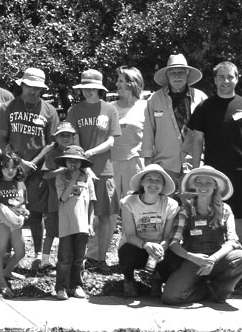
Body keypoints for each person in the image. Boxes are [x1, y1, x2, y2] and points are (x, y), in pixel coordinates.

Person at [187, 61, 242, 247]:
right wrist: (196, 171)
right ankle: (215, 258)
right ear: (214, 80)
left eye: (230, 77)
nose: (226, 81)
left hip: (241, 170)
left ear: (237, 79)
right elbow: (197, 140)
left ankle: (241, 261)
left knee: (240, 216)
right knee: (213, 214)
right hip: (212, 172)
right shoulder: (204, 107)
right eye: (221, 77)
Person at [0, 67, 59, 269]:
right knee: (7, 211)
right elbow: (0, 138)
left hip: (37, 170)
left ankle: (38, 255)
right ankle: (5, 254)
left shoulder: (49, 110)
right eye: (29, 86)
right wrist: (18, 160)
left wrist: (35, 162)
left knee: (36, 213)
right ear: (22, 85)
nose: (33, 91)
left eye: (37, 87)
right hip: (11, 169)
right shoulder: (8, 107)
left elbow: (52, 142)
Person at [163, 166, 242, 305]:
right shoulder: (185, 211)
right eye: (199, 182)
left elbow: (233, 241)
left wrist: (213, 259)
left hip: (219, 259)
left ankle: (220, 290)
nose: (203, 186)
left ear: (215, 186)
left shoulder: (225, 209)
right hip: (193, 260)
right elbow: (173, 243)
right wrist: (192, 257)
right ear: (194, 186)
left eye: (208, 183)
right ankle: (205, 289)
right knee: (171, 297)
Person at [66, 69, 121, 272]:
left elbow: (112, 140)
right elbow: (74, 137)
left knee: (106, 217)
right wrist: (83, 162)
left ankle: (101, 258)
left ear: (99, 89)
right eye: (84, 88)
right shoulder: (75, 110)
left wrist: (92, 152)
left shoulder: (109, 109)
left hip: (105, 170)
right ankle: (79, 259)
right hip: (80, 170)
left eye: (92, 88)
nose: (88, 91)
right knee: (80, 215)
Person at [143, 54, 208, 184]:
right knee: (164, 203)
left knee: (191, 203)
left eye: (181, 72)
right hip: (164, 165)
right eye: (173, 73)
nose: (177, 76)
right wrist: (147, 162)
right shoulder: (154, 100)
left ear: (188, 74)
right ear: (167, 75)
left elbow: (209, 132)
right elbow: (148, 133)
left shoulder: (201, 98)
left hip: (194, 164)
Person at [117, 164, 180, 297]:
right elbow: (130, 235)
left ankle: (157, 280)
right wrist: (146, 245)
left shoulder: (170, 205)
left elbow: (167, 236)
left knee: (175, 257)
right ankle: (129, 280)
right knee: (126, 251)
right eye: (149, 179)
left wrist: (159, 248)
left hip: (159, 250)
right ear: (142, 183)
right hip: (137, 247)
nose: (153, 183)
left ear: (163, 185)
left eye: (158, 180)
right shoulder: (128, 203)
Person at [29, 122, 80, 273]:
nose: (65, 138)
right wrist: (62, 169)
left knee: (71, 231)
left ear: (73, 137)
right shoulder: (52, 154)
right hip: (54, 199)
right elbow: (45, 175)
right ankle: (44, 262)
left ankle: (69, 261)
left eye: (68, 135)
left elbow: (84, 171)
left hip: (73, 199)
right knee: (51, 231)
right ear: (56, 137)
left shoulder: (77, 152)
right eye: (62, 135)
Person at [0, 151, 29, 297]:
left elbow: (23, 204)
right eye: (6, 167)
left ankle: (7, 272)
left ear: (18, 169)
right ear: (0, 168)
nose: (10, 171)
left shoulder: (20, 184)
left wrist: (25, 211)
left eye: (13, 167)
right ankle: (1, 281)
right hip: (2, 222)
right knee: (1, 250)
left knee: (21, 252)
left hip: (16, 222)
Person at [53, 145, 96, 300]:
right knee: (64, 258)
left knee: (79, 257)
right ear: (65, 162)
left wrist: (90, 223)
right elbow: (63, 198)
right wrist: (73, 179)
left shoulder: (87, 178)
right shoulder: (61, 177)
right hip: (66, 224)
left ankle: (76, 285)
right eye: (70, 161)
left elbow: (92, 202)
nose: (74, 164)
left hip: (83, 225)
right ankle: (61, 287)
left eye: (77, 161)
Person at [112, 66, 148, 200]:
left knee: (135, 203)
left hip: (136, 162)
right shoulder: (111, 107)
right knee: (111, 207)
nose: (116, 84)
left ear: (132, 82)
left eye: (120, 81)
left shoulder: (145, 106)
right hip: (112, 162)